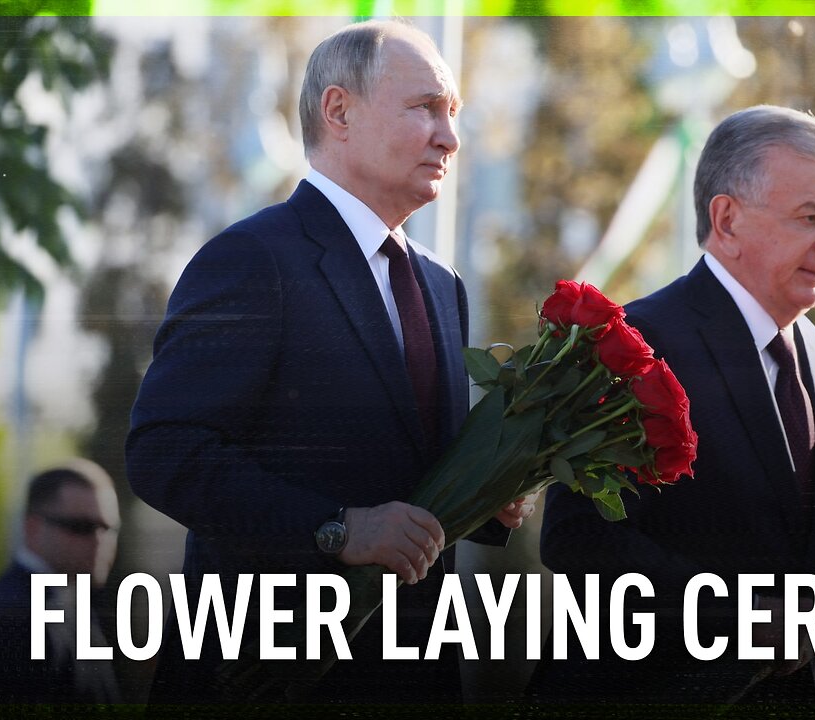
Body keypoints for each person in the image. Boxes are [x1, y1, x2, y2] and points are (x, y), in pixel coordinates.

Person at [126, 19, 534, 704]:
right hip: (267, 683)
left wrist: (488, 493)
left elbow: (406, 469)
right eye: (425, 107)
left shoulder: (441, 285)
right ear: (338, 111)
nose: (450, 137)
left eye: (453, 113)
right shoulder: (251, 259)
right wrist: (338, 527)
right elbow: (165, 453)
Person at [532, 105, 815, 703]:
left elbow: (788, 539)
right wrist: (739, 618)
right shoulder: (637, 344)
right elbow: (580, 540)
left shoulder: (811, 345)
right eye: (811, 217)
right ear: (726, 219)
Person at [0, 460, 122, 704]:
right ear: (33, 528)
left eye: (109, 528)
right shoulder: (12, 621)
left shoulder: (67, 601)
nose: (100, 541)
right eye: (82, 526)